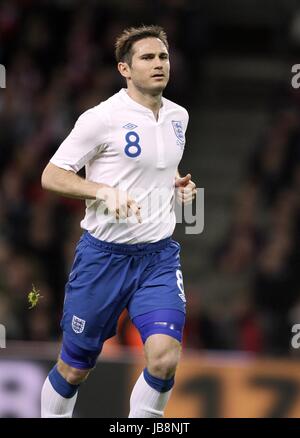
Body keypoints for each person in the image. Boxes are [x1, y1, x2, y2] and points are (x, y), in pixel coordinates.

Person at [40, 24, 196, 418]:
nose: (159, 64)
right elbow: (52, 175)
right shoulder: (102, 118)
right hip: (103, 258)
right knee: (75, 368)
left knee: (163, 359)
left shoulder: (179, 116)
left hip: (158, 259)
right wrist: (101, 191)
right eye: (147, 58)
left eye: (163, 56)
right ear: (124, 69)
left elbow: (158, 169)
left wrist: (177, 187)